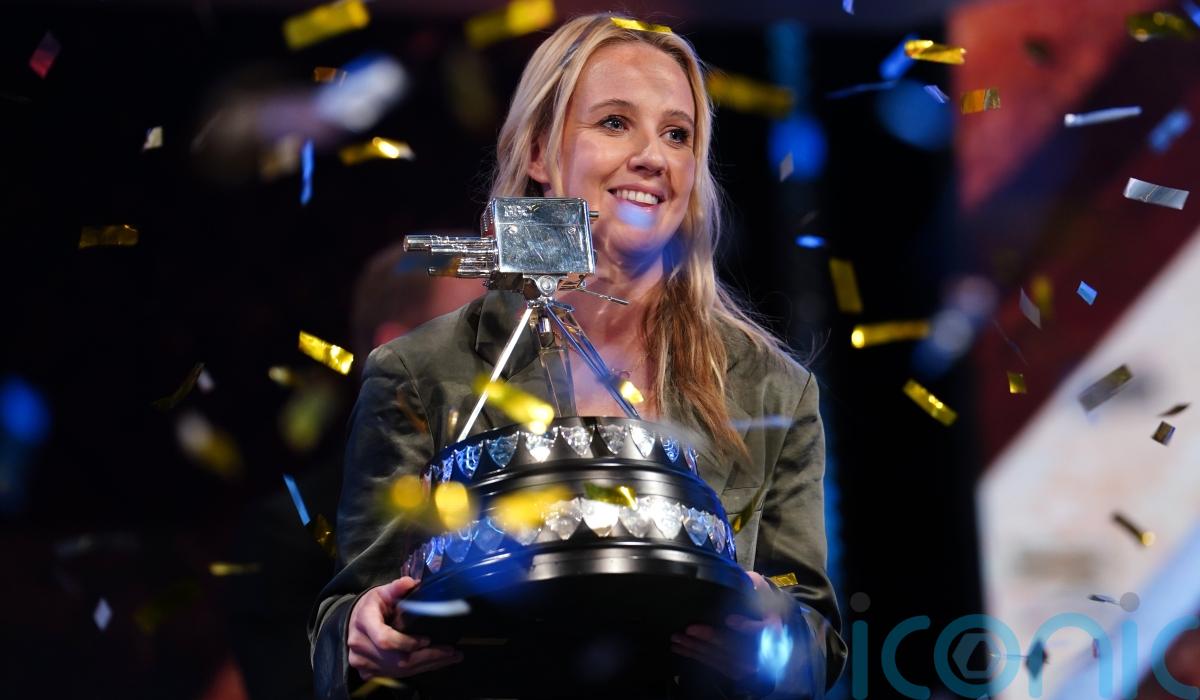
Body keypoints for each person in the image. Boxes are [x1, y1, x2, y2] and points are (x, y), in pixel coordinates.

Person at [309, 13, 846, 698]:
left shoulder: (771, 389)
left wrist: (778, 631)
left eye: (677, 134)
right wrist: (358, 630)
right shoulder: (421, 373)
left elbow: (819, 643)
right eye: (615, 123)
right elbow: (345, 620)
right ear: (538, 153)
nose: (652, 156)